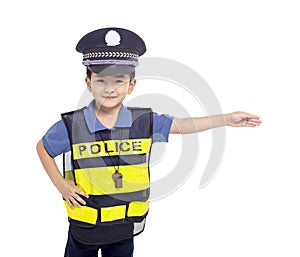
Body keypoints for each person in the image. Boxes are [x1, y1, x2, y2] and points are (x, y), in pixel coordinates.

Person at [36, 27, 261, 257]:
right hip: (84, 228)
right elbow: (43, 147)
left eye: (118, 80)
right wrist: (61, 185)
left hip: (124, 227)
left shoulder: (143, 122)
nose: (109, 88)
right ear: (88, 83)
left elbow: (183, 125)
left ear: (131, 85)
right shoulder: (72, 125)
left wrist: (226, 119)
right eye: (101, 80)